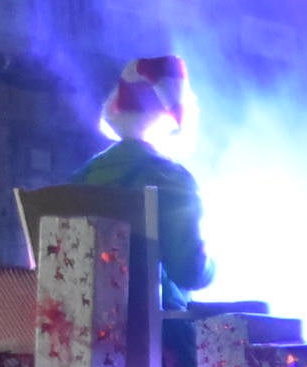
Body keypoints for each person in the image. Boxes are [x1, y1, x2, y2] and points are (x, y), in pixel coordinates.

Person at [69, 55, 212, 308]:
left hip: (85, 328)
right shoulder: (172, 180)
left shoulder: (82, 177)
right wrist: (211, 264)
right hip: (161, 334)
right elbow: (190, 273)